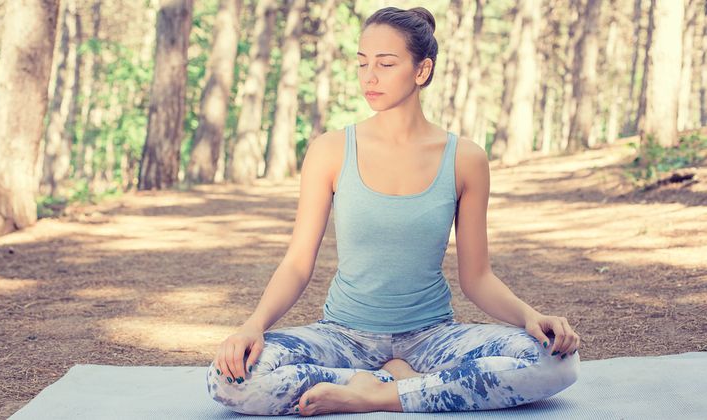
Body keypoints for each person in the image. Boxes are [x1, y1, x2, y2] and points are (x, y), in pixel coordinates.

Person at [206, 6, 580, 416]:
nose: (370, 77)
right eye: (363, 63)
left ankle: (378, 394)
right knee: (230, 380)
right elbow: (297, 262)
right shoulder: (330, 150)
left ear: (422, 71)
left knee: (555, 362)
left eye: (386, 64)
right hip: (342, 338)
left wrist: (530, 316)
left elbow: (477, 278)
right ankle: (394, 381)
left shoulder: (465, 159)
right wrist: (253, 325)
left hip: (432, 338)